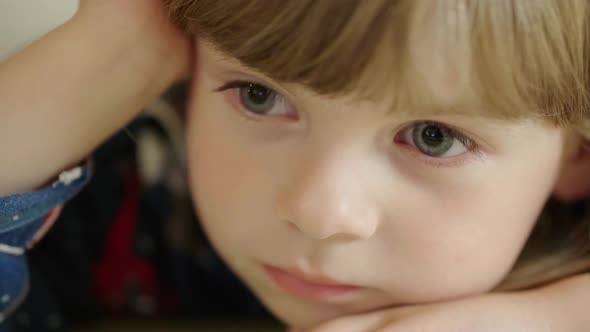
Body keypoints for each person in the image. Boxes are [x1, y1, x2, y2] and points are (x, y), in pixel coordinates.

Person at [1, 0, 590, 331]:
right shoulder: (136, 185)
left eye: (434, 138)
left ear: (579, 156)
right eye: (259, 96)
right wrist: (121, 46)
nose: (317, 212)